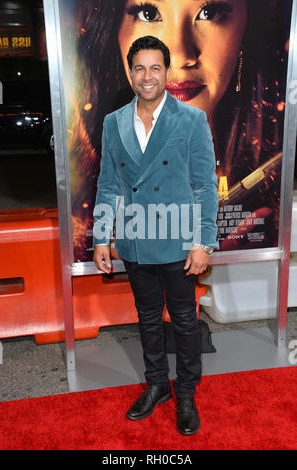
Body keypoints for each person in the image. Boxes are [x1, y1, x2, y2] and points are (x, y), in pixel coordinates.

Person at [69, 0, 290, 261]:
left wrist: (233, 270)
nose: (178, 55)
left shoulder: (271, 173)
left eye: (209, 13)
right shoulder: (88, 182)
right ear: (112, 27)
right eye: (148, 13)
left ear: (245, 29)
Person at [93, 36, 219, 436]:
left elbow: (204, 186)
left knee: (183, 320)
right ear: (130, 73)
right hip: (134, 240)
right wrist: (101, 236)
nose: (147, 76)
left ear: (167, 72)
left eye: (155, 68)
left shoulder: (191, 120)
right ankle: (156, 385)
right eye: (140, 68)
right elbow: (108, 184)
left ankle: (186, 393)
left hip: (179, 240)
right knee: (147, 318)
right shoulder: (113, 122)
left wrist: (203, 242)